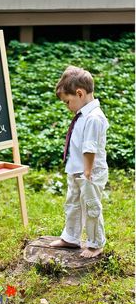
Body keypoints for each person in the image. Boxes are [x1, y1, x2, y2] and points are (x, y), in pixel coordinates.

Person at [50, 66, 109, 258]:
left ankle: (95, 243)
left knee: (91, 206)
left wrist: (87, 171)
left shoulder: (94, 118)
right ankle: (71, 237)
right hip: (76, 170)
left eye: (68, 102)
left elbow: (90, 148)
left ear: (80, 93)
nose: (68, 106)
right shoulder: (82, 115)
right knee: (73, 204)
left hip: (89, 172)